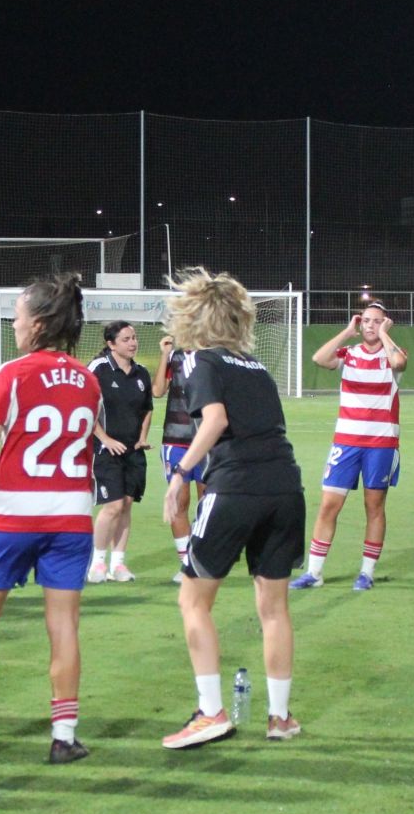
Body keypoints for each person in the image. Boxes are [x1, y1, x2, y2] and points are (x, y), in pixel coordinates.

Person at [0, 271, 101, 765]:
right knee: (64, 628)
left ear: (37, 324)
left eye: (16, 317)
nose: (12, 325)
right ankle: (64, 736)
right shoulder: (89, 380)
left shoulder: (12, 373)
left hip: (14, 515)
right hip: (71, 518)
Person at [159, 268, 306, 748]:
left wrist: (181, 474)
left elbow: (215, 420)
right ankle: (280, 718)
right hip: (286, 486)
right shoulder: (257, 366)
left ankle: (210, 712)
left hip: (236, 486)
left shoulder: (201, 360)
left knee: (193, 599)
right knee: (274, 608)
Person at [292, 302, 407, 592]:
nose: (370, 325)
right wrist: (346, 332)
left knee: (374, 506)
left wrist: (385, 335)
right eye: (366, 320)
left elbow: (399, 364)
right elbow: (319, 358)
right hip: (346, 441)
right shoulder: (349, 354)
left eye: (376, 321)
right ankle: (314, 573)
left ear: (385, 323)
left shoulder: (392, 354)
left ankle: (366, 573)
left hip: (381, 443)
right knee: (329, 505)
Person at [88, 321, 155, 584]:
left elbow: (147, 408)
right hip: (106, 450)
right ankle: (97, 564)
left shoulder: (142, 373)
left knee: (126, 504)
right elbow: (86, 407)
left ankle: (118, 565)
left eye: (134, 337)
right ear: (111, 344)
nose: (133, 343)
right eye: (126, 339)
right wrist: (105, 438)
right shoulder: (99, 369)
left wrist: (142, 438)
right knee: (113, 506)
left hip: (133, 451)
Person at [153, 330, 207, 584]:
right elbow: (158, 391)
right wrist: (164, 354)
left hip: (207, 439)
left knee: (208, 503)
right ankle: (186, 563)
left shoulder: (211, 357)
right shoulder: (174, 356)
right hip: (175, 438)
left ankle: (202, 558)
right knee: (179, 501)